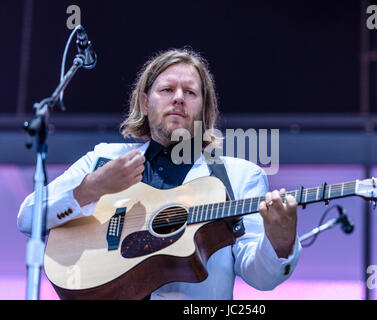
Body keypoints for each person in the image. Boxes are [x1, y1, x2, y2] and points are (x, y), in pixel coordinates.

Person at [17, 48, 301, 300]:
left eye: (190, 93)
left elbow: (260, 277)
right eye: (166, 90)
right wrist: (92, 187)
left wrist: (281, 242)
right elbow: (28, 217)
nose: (178, 98)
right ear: (145, 103)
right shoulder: (103, 159)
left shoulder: (238, 176)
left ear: (204, 110)